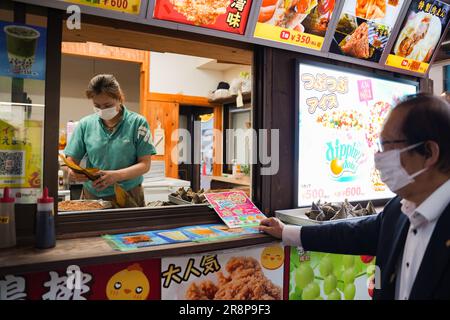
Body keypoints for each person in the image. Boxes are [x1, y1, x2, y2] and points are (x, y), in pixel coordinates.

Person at [259, 94, 450, 300]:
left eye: (387, 146)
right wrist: (286, 232)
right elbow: (351, 234)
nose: (378, 158)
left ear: (429, 152)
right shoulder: (399, 210)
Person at [64, 74, 156, 207]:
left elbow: (145, 164)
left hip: (128, 194)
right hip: (92, 196)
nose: (102, 110)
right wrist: (72, 172)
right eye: (97, 105)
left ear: (119, 98)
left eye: (107, 105)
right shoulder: (85, 124)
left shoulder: (137, 123)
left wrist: (116, 176)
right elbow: (70, 160)